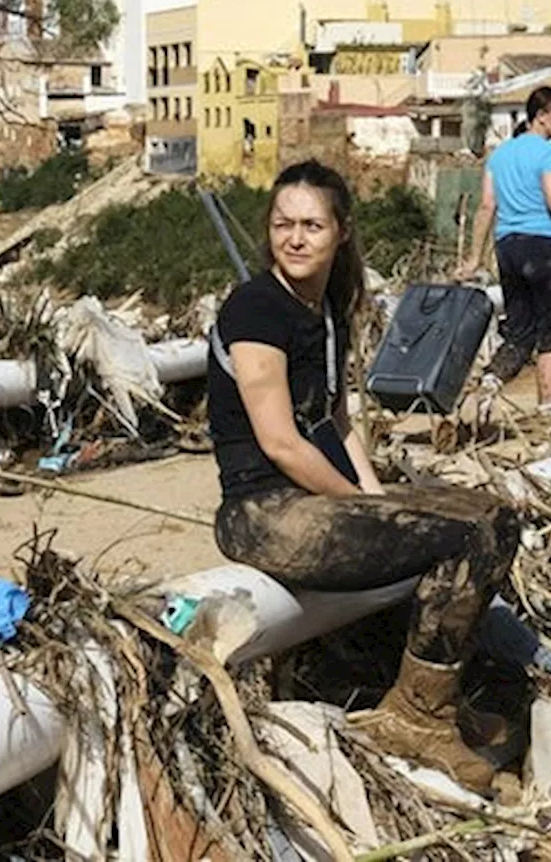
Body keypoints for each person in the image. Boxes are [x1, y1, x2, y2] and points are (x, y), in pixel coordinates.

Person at [209, 160, 521, 793]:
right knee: (460, 541)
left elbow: (338, 422)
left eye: (311, 225)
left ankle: (429, 691)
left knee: (491, 515)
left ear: (341, 232)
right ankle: (417, 718)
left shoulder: (326, 309)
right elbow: (281, 442)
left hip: (313, 502)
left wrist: (379, 499)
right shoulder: (256, 309)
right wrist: (367, 510)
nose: (295, 238)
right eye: (282, 225)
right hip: (264, 512)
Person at [461, 86, 551, 410]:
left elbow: (486, 207)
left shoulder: (499, 155)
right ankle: (548, 403)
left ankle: (492, 380)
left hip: (508, 247)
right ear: (543, 116)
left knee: (519, 331)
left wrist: (474, 259)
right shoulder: (548, 151)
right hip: (544, 246)